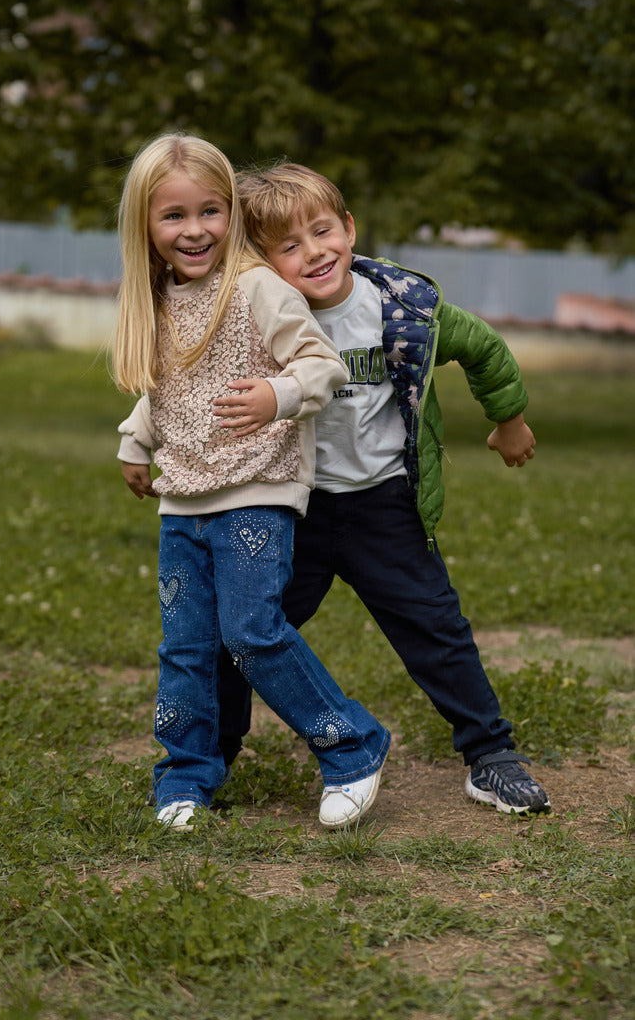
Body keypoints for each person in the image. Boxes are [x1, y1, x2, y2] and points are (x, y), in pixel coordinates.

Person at [212, 162, 551, 816]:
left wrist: (508, 421)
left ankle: (490, 756)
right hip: (291, 511)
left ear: (348, 227)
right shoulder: (252, 319)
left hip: (383, 506)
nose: (314, 252)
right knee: (238, 634)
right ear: (259, 261)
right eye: (288, 245)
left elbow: (481, 348)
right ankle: (210, 760)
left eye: (322, 230)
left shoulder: (402, 308)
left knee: (436, 630)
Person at [113, 135, 390, 833]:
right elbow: (172, 385)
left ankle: (351, 746)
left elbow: (322, 365)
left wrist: (278, 395)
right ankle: (186, 774)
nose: (195, 228)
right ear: (144, 227)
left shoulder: (256, 287)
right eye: (173, 216)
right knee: (185, 647)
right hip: (184, 500)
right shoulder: (159, 299)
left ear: (232, 213)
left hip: (256, 490)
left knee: (252, 631)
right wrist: (135, 440)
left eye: (211, 210)